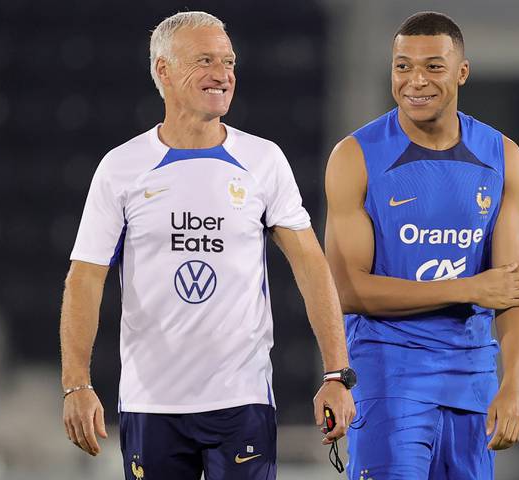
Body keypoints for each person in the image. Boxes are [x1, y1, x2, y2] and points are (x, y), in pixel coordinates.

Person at [59, 11, 355, 480]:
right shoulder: (121, 167)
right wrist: (76, 384)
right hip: (151, 403)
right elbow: (85, 277)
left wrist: (337, 375)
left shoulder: (263, 160)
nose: (222, 74)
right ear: (163, 70)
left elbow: (311, 266)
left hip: (242, 400)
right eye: (204, 60)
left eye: (229, 61)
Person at [324, 11, 519, 480]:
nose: (415, 81)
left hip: (472, 382)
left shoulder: (503, 157)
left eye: (433, 67)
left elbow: (512, 290)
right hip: (388, 376)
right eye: (402, 66)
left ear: (461, 72)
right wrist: (466, 289)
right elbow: (346, 290)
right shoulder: (355, 157)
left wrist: (515, 385)